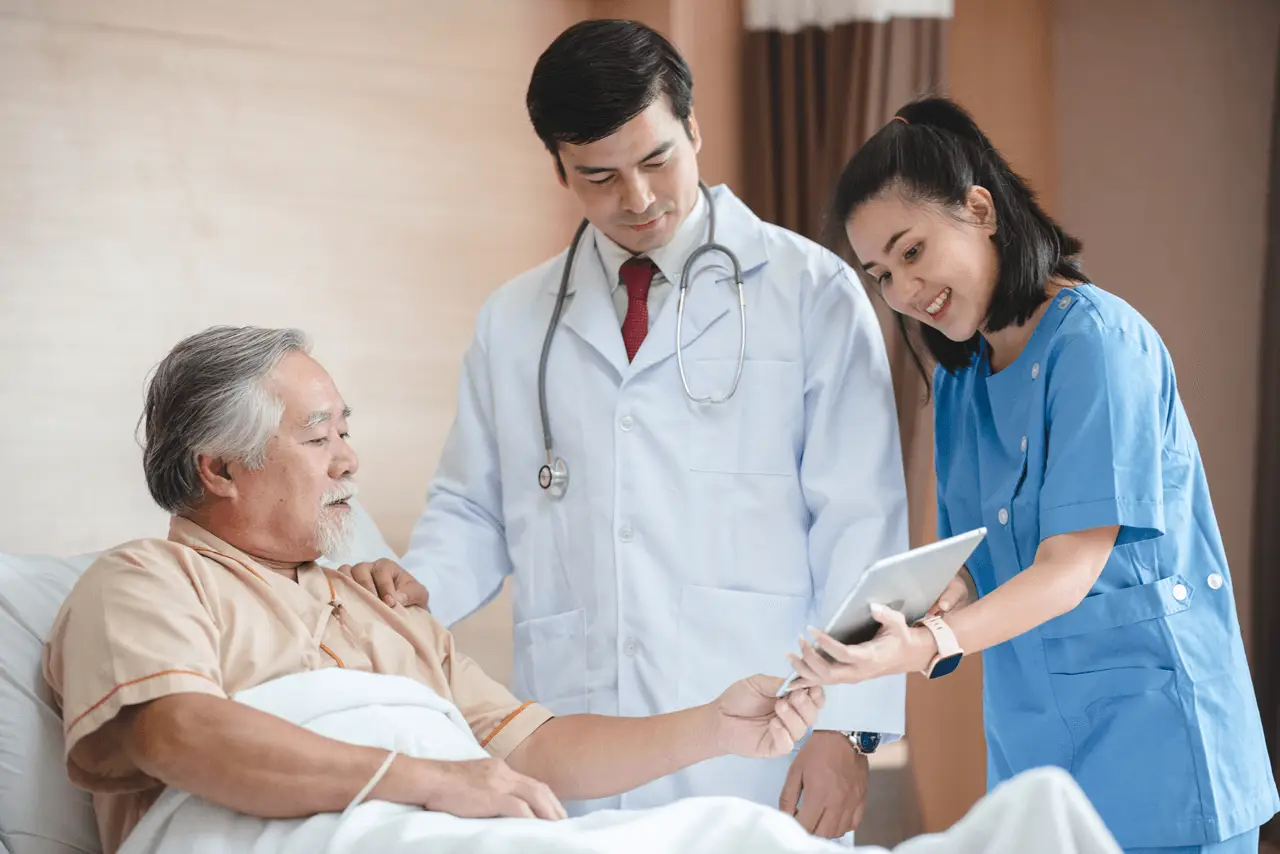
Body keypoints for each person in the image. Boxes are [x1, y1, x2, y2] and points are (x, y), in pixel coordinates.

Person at [398, 18, 909, 837]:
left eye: (657, 161)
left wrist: (851, 728)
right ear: (559, 169)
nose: (635, 200)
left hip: (764, 747)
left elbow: (864, 526)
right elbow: (470, 512)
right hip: (581, 746)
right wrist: (408, 600)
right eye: (598, 177)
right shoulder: (515, 321)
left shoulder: (811, 292)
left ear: (694, 127)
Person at [41, 326, 825, 854]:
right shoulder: (145, 581)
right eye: (318, 438)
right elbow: (179, 737)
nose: (349, 460)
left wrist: (715, 728)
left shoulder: (384, 607)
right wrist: (437, 780)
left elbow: (538, 750)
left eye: (346, 431)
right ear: (218, 469)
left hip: (448, 832)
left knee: (739, 836)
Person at [784, 96, 1280, 853]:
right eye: (881, 274)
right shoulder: (960, 381)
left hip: (1161, 749)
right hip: (1036, 746)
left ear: (979, 209)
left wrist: (925, 645)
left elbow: (1065, 572)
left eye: (911, 252)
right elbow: (974, 568)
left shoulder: (1099, 346)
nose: (903, 292)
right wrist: (889, 619)